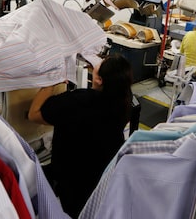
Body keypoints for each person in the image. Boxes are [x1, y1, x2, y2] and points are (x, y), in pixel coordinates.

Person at [28, 54, 133, 218]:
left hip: (75, 180)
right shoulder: (123, 101)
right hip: (104, 175)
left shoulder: (79, 101)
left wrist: (50, 85)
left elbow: (33, 115)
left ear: (99, 80)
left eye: (102, 62)